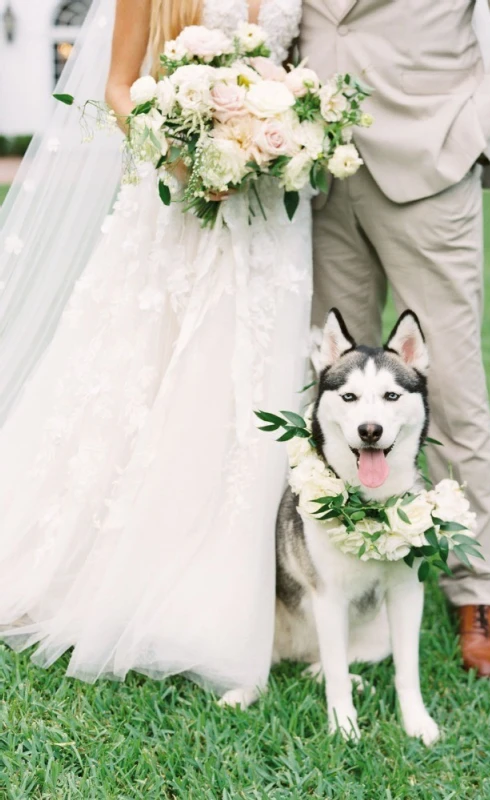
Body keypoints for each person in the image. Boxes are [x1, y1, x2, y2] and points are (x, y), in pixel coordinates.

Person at [0, 0, 307, 698]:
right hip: (174, 200)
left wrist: (287, 131)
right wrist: (181, 153)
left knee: (249, 382)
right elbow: (119, 86)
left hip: (270, 214)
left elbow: (296, 75)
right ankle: (118, 574)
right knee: (149, 370)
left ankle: (233, 589)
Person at [300, 0, 490, 676]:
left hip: (430, 168)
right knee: (337, 394)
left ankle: (473, 593)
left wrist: (471, 133)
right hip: (320, 172)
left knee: (449, 392)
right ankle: (352, 573)